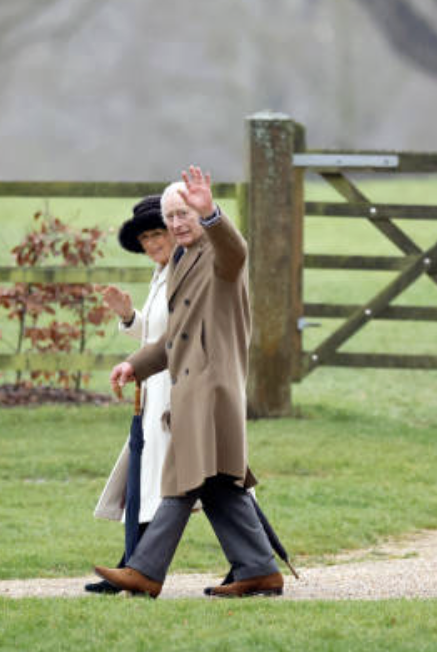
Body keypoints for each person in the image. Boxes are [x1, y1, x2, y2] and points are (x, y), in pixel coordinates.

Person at [94, 165, 283, 599]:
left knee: (182, 478)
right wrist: (135, 365)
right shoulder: (181, 260)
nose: (178, 223)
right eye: (172, 216)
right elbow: (176, 336)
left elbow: (236, 250)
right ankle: (258, 570)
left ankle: (145, 572)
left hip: (211, 387)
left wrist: (212, 212)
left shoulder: (218, 255)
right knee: (218, 483)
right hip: (192, 385)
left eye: (185, 214)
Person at [85, 195, 175, 594]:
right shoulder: (162, 273)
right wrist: (127, 317)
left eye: (159, 233)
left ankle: (254, 562)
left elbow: (180, 338)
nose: (153, 243)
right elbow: (157, 334)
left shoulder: (185, 271)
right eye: (146, 237)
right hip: (156, 388)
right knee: (152, 482)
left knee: (219, 486)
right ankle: (132, 566)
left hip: (181, 392)